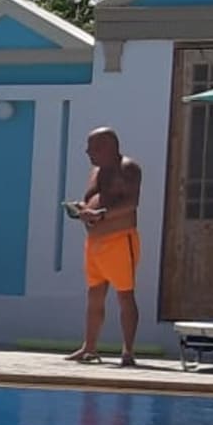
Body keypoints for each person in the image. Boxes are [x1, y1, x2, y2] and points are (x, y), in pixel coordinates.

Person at [69, 128, 143, 368]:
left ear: (109, 147)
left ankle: (128, 351)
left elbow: (131, 203)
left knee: (125, 295)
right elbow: (92, 198)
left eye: (93, 148)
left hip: (119, 240)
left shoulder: (128, 168)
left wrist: (101, 215)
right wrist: (82, 209)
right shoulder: (96, 171)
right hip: (94, 243)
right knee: (94, 296)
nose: (88, 152)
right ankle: (89, 347)